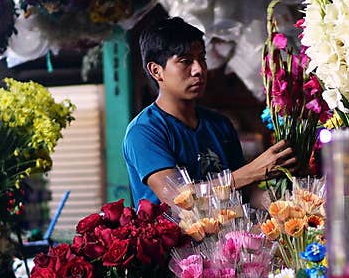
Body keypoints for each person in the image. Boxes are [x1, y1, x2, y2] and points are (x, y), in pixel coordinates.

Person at [123, 16, 296, 205]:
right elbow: (177, 198)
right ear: (156, 71)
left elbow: (246, 192)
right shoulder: (144, 131)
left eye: (201, 59)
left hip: (228, 233)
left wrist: (285, 205)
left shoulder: (219, 124)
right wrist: (251, 172)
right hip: (173, 235)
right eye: (185, 61)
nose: (199, 69)